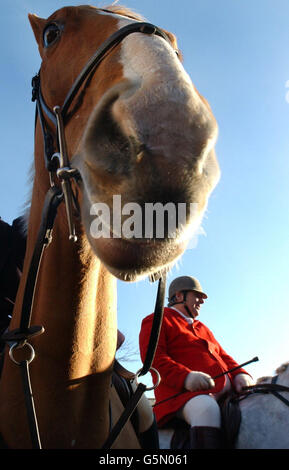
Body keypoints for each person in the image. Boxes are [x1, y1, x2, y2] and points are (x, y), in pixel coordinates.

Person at [139, 275, 254, 449]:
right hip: (181, 397)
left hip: (225, 394)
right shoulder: (157, 319)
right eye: (197, 296)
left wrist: (240, 374)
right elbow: (155, 360)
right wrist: (186, 378)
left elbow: (223, 355)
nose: (201, 301)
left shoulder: (202, 327)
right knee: (206, 409)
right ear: (179, 296)